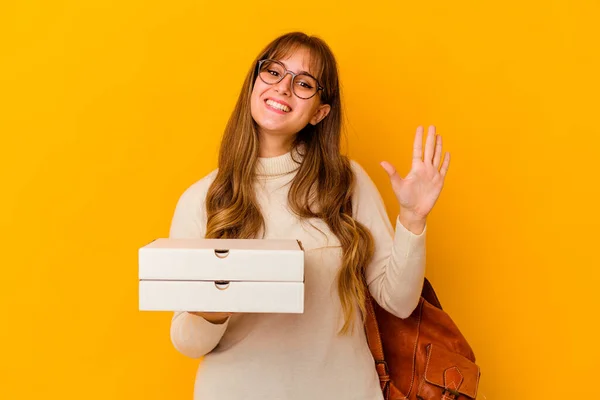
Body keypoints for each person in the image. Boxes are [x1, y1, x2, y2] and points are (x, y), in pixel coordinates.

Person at [168, 31, 450, 399]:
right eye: (273, 72)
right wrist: (213, 310)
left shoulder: (346, 183)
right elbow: (187, 343)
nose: (283, 87)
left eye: (303, 83)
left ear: (320, 112)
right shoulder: (202, 199)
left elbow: (398, 301)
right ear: (254, 83)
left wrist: (413, 218)